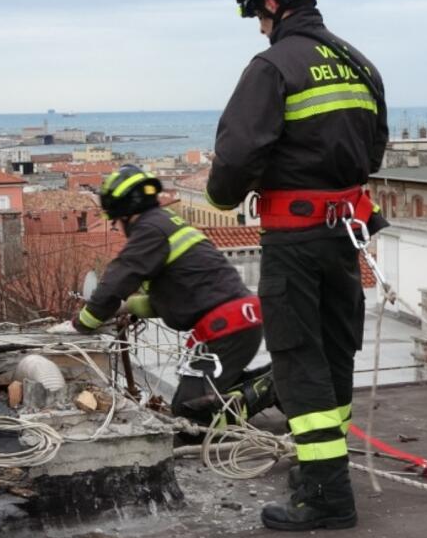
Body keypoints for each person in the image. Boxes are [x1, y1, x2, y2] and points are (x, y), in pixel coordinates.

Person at [206, 0, 389, 531]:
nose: (259, 28)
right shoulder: (359, 64)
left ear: (270, 4)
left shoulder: (273, 67)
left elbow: (234, 161)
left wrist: (220, 198)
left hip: (296, 240)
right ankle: (320, 475)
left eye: (257, 16)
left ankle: (328, 498)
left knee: (297, 362)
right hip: (345, 240)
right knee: (335, 357)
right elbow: (374, 150)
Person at [70, 164, 274, 424]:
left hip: (227, 329)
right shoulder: (166, 223)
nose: (119, 227)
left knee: (191, 414)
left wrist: (82, 323)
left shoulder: (149, 230)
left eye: (117, 221)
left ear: (125, 212)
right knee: (199, 398)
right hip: (236, 325)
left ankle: (272, 387)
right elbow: (179, 295)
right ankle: (268, 379)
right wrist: (129, 308)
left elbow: (115, 281)